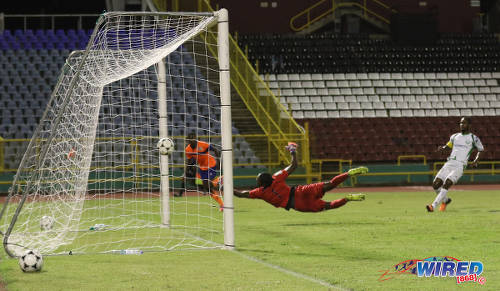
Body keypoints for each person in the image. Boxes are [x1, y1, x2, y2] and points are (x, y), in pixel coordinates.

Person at [233, 142, 368, 212]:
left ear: (261, 183)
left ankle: (348, 198)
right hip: (301, 191)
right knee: (331, 184)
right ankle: (349, 173)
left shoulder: (260, 192)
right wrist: (292, 151)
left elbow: (241, 194)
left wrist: (225, 187)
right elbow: (294, 165)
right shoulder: (276, 177)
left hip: (298, 204)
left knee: (329, 205)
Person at [426, 117, 484, 212]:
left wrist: (476, 160)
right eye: (460, 123)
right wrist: (442, 149)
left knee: (447, 183)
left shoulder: (473, 138)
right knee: (435, 185)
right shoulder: (454, 136)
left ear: (469, 125)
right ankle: (446, 200)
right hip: (449, 163)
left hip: (460, 165)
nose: (462, 125)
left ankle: (433, 206)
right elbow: (448, 146)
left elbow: (481, 150)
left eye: (464, 123)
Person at [182, 133, 224, 210]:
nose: (192, 141)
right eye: (190, 140)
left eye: (194, 139)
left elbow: (215, 150)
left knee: (207, 184)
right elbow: (189, 162)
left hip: (211, 164)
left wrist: (218, 162)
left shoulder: (203, 145)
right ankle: (222, 204)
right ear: (188, 141)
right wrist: (185, 173)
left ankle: (218, 181)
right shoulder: (188, 150)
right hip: (202, 168)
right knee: (207, 188)